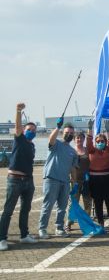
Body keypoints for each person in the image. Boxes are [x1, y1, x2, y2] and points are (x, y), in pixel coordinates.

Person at [0, 103, 38, 251]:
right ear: (23, 130)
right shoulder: (19, 139)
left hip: (28, 180)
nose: (32, 132)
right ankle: (2, 238)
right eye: (29, 130)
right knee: (8, 210)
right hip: (14, 180)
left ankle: (24, 235)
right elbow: (17, 126)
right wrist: (18, 111)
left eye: (34, 131)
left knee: (25, 209)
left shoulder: (32, 146)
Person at [38, 119, 78, 239]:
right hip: (51, 178)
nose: (69, 135)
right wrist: (57, 127)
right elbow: (51, 139)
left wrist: (74, 181)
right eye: (67, 132)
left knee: (62, 206)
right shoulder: (56, 144)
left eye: (71, 133)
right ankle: (42, 229)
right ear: (62, 132)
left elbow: (73, 168)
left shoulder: (73, 151)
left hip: (65, 181)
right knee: (48, 205)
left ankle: (59, 228)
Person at [87, 119, 109, 232]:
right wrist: (90, 129)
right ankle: (101, 224)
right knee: (98, 203)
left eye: (102, 141)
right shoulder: (91, 151)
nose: (100, 143)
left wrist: (108, 130)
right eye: (98, 141)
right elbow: (89, 142)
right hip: (95, 180)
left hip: (108, 179)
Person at [65, 132, 92, 232]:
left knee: (87, 202)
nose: (79, 140)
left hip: (86, 181)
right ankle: (68, 223)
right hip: (74, 181)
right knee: (72, 203)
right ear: (74, 140)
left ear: (83, 139)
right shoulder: (71, 151)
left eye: (80, 138)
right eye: (77, 138)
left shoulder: (87, 151)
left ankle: (87, 222)